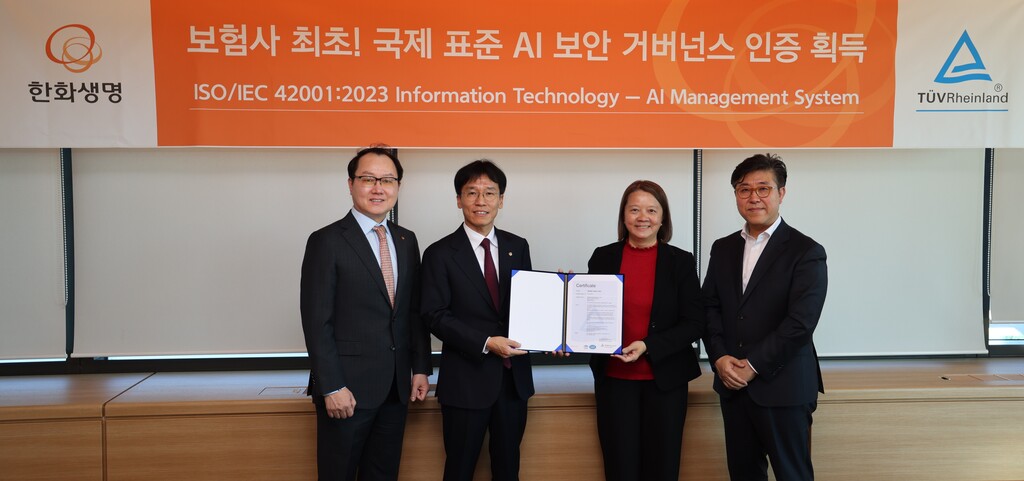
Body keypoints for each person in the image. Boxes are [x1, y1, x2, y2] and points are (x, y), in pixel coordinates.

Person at [300, 146, 432, 481]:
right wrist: (331, 386)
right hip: (347, 390)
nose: (378, 188)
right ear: (350, 184)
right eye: (368, 179)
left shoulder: (406, 240)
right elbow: (316, 321)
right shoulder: (326, 240)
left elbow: (412, 311)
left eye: (387, 180)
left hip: (395, 389)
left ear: (398, 186)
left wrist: (420, 367)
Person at [702, 153, 828, 481]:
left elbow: (800, 323)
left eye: (763, 188)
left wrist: (754, 365)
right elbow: (709, 307)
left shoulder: (806, 251)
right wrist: (719, 358)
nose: (753, 197)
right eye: (744, 189)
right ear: (736, 195)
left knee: (792, 475)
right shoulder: (723, 248)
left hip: (784, 385)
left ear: (781, 193)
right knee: (743, 474)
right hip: (733, 385)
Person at [420, 159, 534, 481]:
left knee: (508, 469)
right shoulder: (439, 253)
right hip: (465, 382)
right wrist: (485, 343)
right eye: (472, 193)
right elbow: (434, 314)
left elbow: (527, 305)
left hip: (512, 382)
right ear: (459, 200)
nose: (480, 201)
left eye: (489, 193)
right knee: (459, 469)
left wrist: (556, 319)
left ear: (501, 200)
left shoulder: (517, 246)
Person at [585, 180, 705, 481]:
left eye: (652, 210)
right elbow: (588, 313)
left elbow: (695, 322)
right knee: (620, 468)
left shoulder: (680, 261)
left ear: (663, 218)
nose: (643, 217)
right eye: (634, 209)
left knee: (662, 469)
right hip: (615, 381)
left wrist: (648, 345)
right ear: (623, 215)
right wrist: (566, 305)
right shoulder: (603, 257)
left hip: (665, 382)